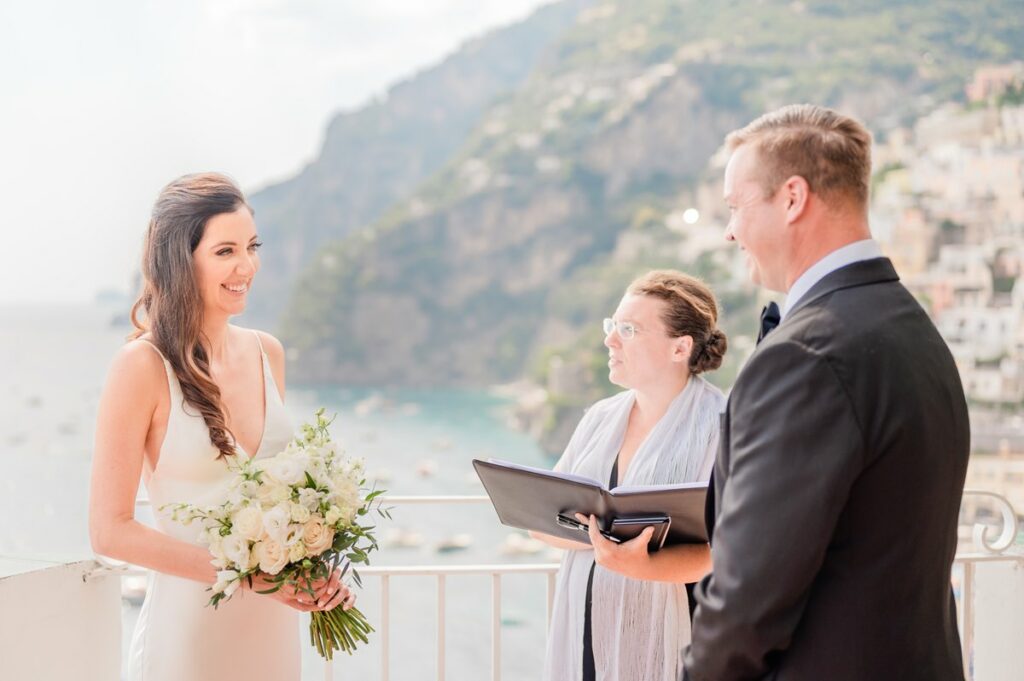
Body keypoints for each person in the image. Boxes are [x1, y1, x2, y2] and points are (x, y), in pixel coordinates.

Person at [682, 105, 969, 680]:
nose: (730, 230)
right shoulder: (913, 329)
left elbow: (746, 602)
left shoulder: (803, 357)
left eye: (736, 206)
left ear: (792, 198)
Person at [88, 173, 355, 681]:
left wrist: (316, 571)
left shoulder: (267, 353)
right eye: (225, 250)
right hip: (190, 639)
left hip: (273, 635)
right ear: (179, 259)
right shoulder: (141, 367)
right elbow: (109, 530)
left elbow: (278, 499)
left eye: (252, 247)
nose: (246, 266)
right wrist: (249, 579)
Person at [532, 270, 728, 681]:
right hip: (584, 631)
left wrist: (640, 565)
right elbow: (542, 519)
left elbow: (732, 553)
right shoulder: (600, 417)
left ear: (680, 348)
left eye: (629, 329)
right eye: (612, 325)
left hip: (677, 636)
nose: (610, 340)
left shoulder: (724, 424)